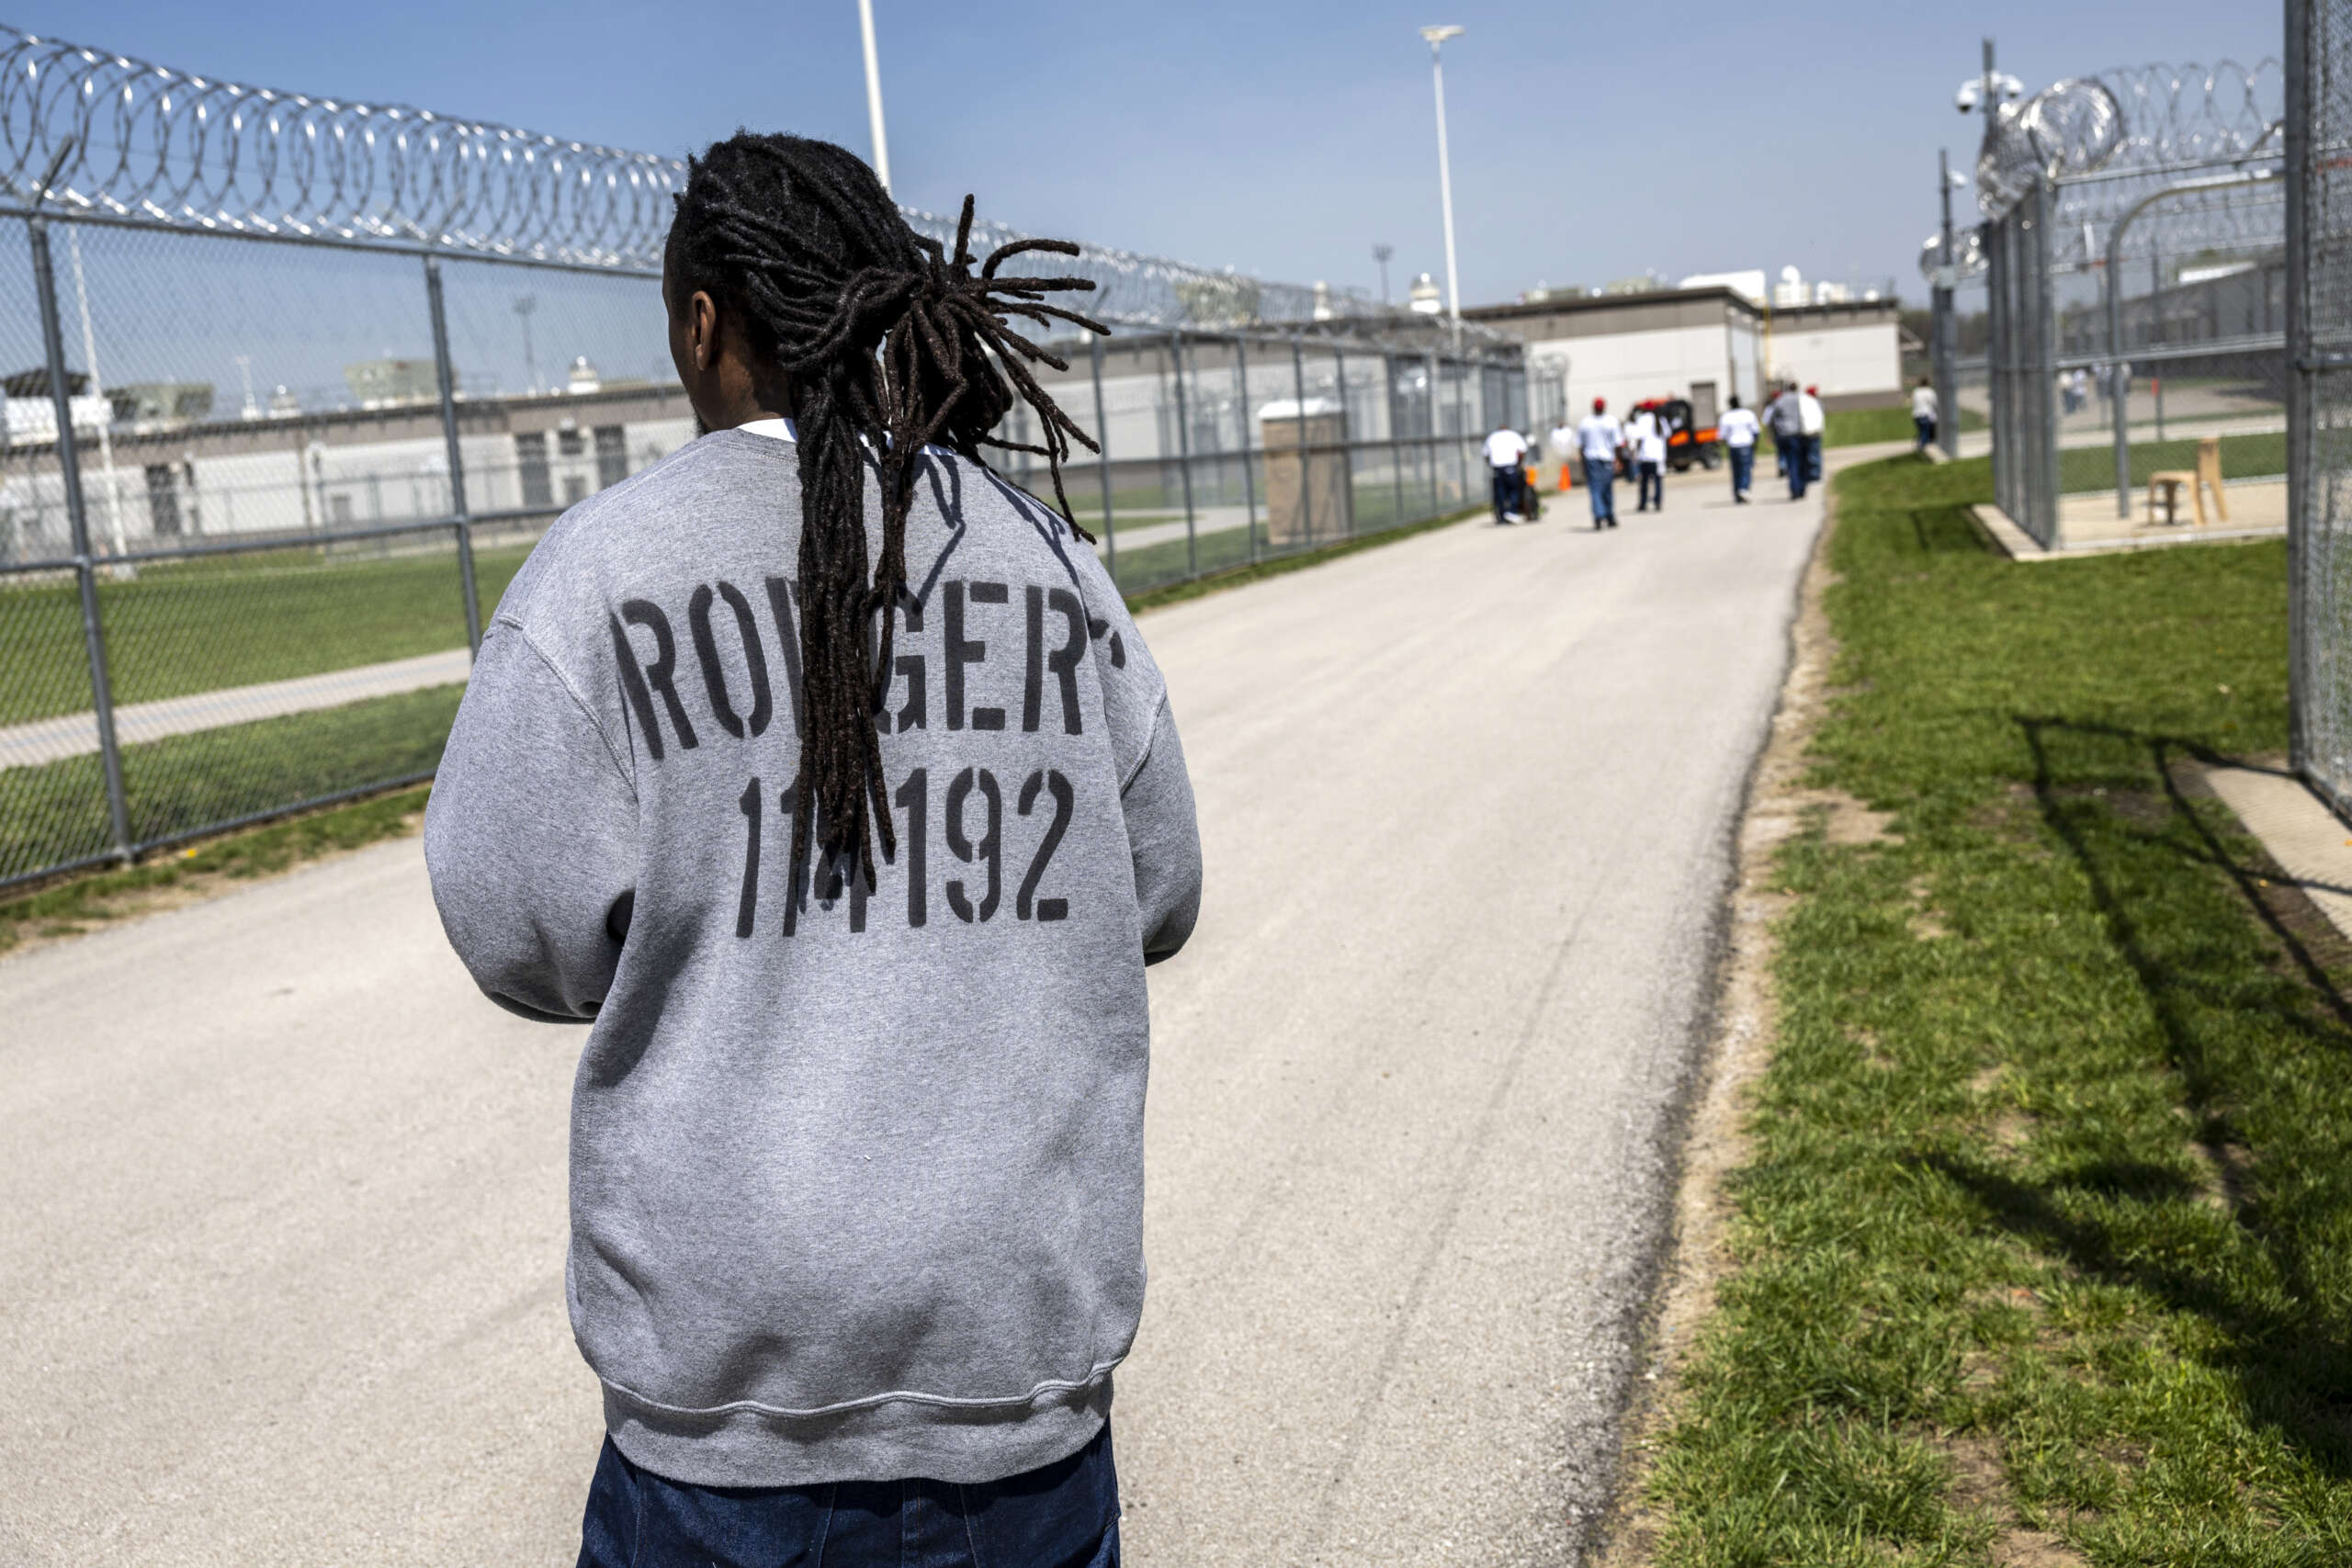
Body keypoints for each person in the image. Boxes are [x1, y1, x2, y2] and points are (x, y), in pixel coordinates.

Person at [423, 132, 1203, 1568]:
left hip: (726, 1419)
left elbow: (512, 923)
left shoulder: (604, 571)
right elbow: (1155, 889)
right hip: (1015, 1386)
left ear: (705, 324)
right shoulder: (1042, 555)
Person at [1576, 397, 1623, 529]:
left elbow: (1580, 446)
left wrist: (1582, 463)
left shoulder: (1586, 422)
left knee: (1598, 489)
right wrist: (1618, 459)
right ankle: (1603, 515)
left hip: (1595, 459)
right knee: (1603, 489)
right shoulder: (1610, 421)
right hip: (1600, 459)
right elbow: (1618, 444)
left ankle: (1603, 515)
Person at [1767, 379, 1806, 499]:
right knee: (1800, 462)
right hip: (1797, 434)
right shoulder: (1801, 399)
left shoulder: (1779, 401)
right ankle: (1799, 488)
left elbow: (1772, 419)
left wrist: (1772, 434)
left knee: (1791, 463)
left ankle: (1795, 489)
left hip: (1783, 435)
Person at [1485, 421, 1530, 525]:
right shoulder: (1513, 435)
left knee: (1500, 492)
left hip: (1497, 468)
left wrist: (1491, 465)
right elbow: (1522, 451)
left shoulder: (1492, 437)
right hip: (1511, 467)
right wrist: (1519, 464)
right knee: (1513, 490)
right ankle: (1512, 511)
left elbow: (1486, 455)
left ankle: (1501, 515)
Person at [1718, 393, 1760, 502]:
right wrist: (1756, 445)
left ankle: (1738, 491)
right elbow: (1755, 431)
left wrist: (1721, 444)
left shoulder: (1726, 416)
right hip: (1746, 444)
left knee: (1736, 470)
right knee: (1745, 469)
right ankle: (1744, 489)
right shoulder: (1748, 414)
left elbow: (1722, 435)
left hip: (1733, 446)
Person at [1628, 400, 1667, 513]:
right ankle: (1658, 501)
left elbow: (1639, 437)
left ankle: (1643, 503)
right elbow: (1667, 434)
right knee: (1658, 481)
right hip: (1658, 455)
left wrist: (1635, 452)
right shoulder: (1661, 419)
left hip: (1645, 455)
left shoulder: (1642, 420)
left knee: (1644, 482)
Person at [1800, 385, 1826, 484]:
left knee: (1813, 454)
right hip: (1813, 431)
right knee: (1813, 453)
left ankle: (1814, 474)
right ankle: (1814, 474)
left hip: (1811, 431)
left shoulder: (1811, 402)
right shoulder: (1814, 402)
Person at [1549, 415, 1578, 493]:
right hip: (1559, 454)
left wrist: (1575, 452)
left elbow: (1573, 442)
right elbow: (1553, 444)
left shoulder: (1568, 431)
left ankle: (1570, 482)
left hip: (1568, 452)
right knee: (1562, 469)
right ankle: (1563, 484)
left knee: (1569, 468)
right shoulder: (1555, 432)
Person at [1910, 378, 1938, 454]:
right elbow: (1934, 403)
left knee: (1922, 431)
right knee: (1926, 432)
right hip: (1926, 414)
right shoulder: (1929, 391)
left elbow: (1913, 402)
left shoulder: (1916, 391)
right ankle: (1921, 448)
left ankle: (1922, 445)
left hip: (1916, 415)